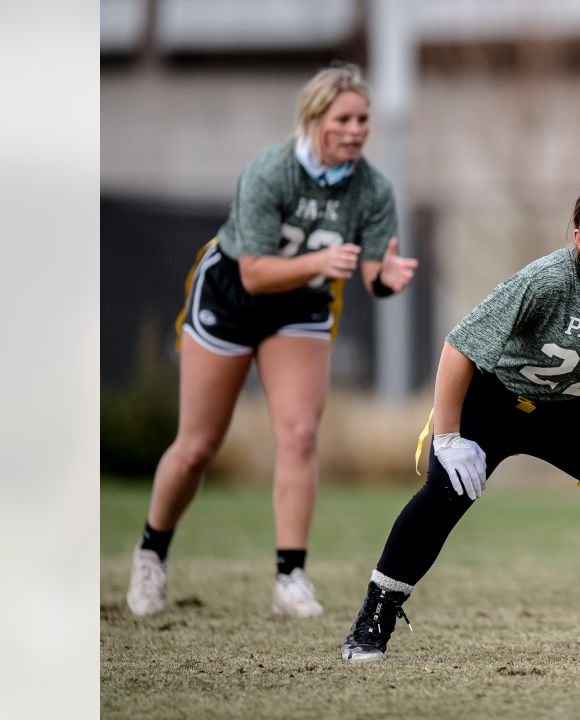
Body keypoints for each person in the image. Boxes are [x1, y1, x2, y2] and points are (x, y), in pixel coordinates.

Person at [338, 176, 580, 663]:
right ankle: (372, 621)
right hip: (496, 402)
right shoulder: (546, 280)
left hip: (575, 408)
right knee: (444, 495)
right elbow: (458, 347)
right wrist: (447, 437)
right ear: (579, 236)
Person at [125, 63, 418, 619]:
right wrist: (321, 261)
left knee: (302, 434)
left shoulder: (373, 187)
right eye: (344, 118)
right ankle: (150, 554)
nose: (357, 130)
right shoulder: (270, 171)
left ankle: (290, 578)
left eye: (364, 119)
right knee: (197, 447)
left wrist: (387, 278)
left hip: (302, 307)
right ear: (314, 117)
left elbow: (373, 271)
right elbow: (256, 272)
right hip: (232, 297)